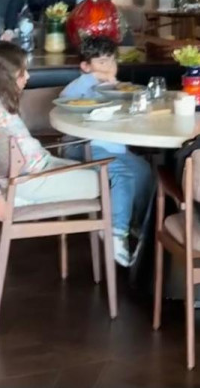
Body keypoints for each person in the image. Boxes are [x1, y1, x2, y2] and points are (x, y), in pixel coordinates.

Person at [0, 42, 101, 222]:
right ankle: (21, 199)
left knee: (97, 172)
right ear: (4, 76)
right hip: (30, 180)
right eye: (22, 72)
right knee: (107, 181)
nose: (27, 76)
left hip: (33, 172)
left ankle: (21, 197)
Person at [59, 36, 152, 266]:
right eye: (101, 62)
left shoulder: (118, 88)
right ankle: (115, 232)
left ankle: (136, 225)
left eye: (112, 60)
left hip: (113, 146)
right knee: (122, 174)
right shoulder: (81, 86)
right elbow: (65, 97)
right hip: (84, 145)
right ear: (85, 66)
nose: (109, 66)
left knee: (145, 172)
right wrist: (94, 78)